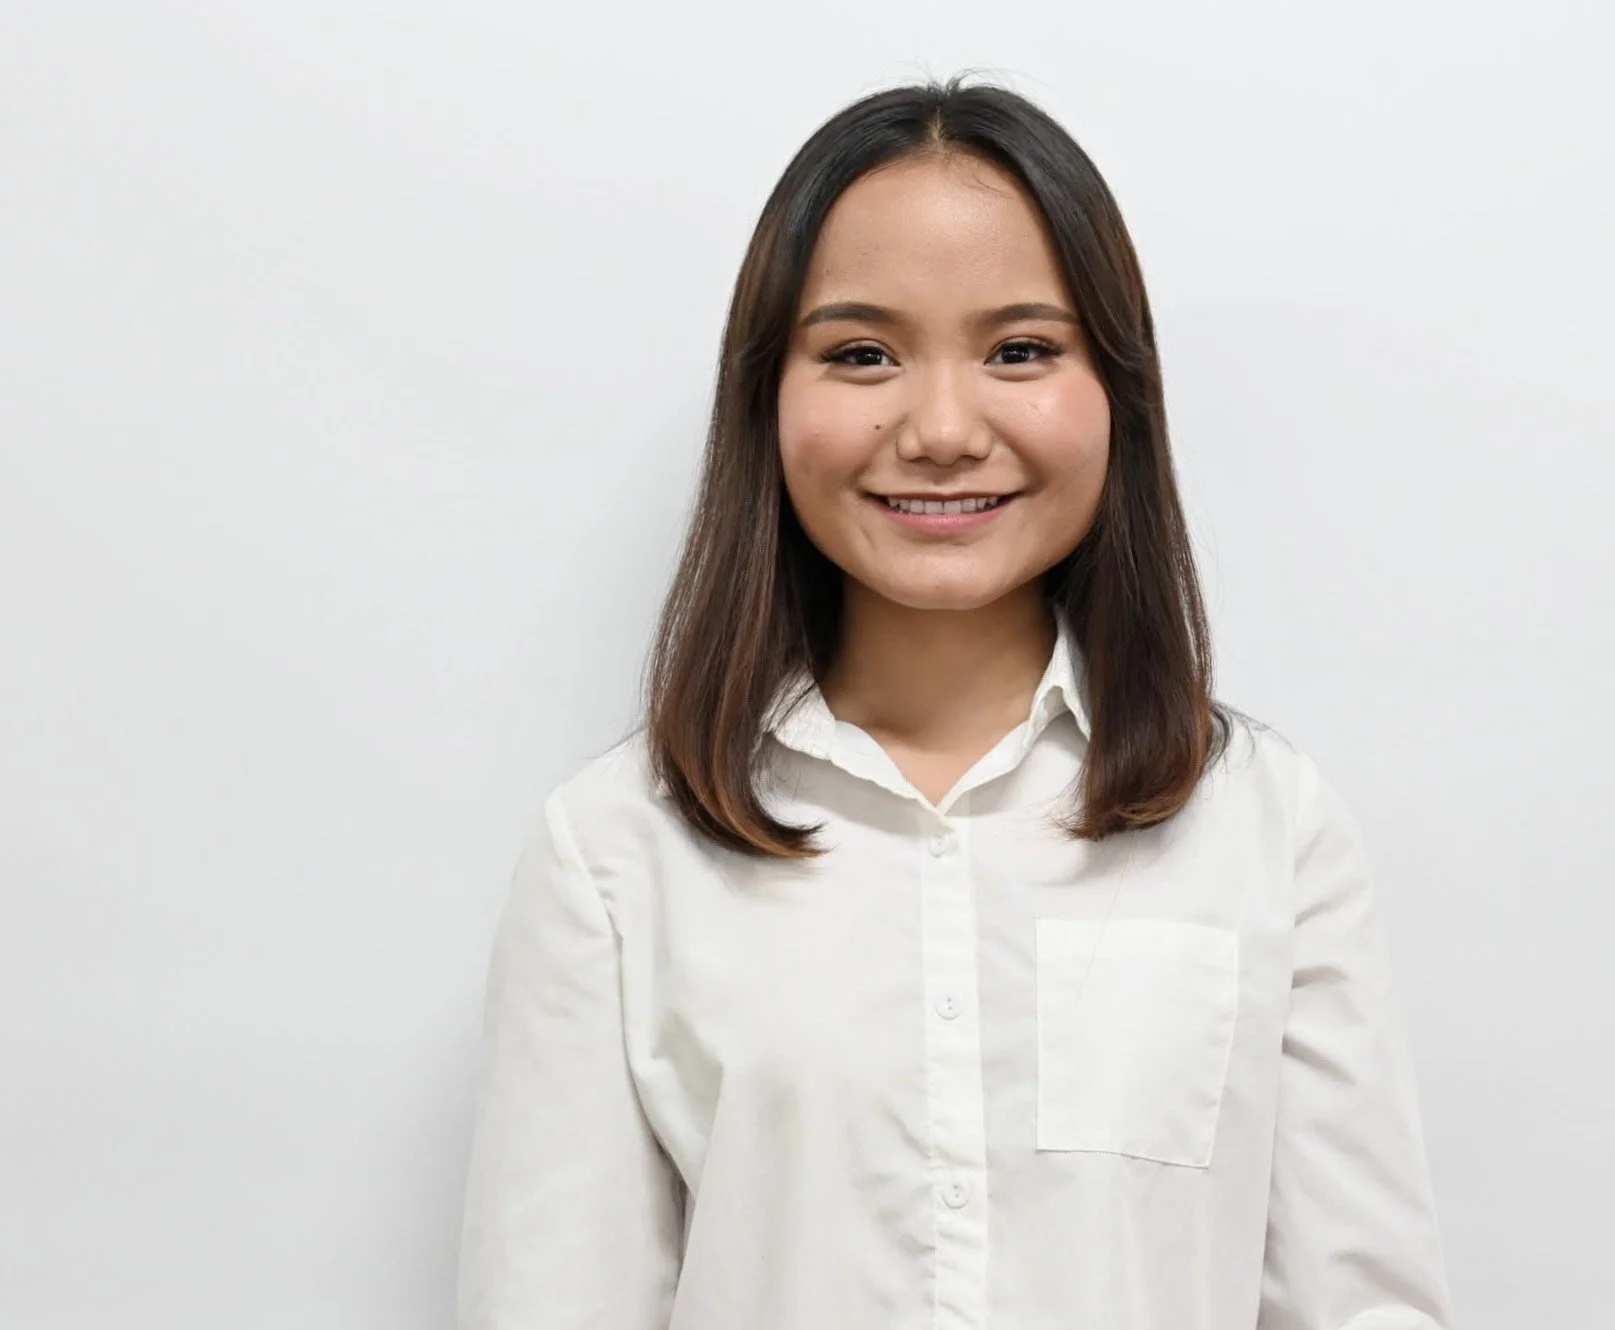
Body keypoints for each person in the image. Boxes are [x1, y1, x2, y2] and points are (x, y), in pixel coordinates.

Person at [456, 75, 1455, 1330]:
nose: (938, 427)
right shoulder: (614, 854)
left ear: (1118, 396)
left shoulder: (1264, 829)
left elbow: (1361, 1306)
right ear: (769, 395)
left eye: (1020, 350)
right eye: (861, 353)